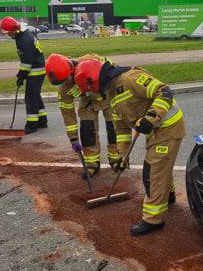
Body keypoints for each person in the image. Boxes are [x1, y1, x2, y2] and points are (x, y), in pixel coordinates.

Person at [74, 58, 185, 236]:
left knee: (152, 172)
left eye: (89, 92)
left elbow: (164, 91)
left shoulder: (130, 78)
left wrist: (151, 117)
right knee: (160, 167)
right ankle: (168, 195)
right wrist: (122, 155)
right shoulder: (111, 94)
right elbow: (121, 128)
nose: (91, 96)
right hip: (154, 131)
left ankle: (153, 220)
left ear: (94, 82)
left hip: (168, 127)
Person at [45, 53, 120, 179]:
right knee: (87, 132)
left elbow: (116, 75)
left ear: (71, 70)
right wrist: (73, 138)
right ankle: (92, 164)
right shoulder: (65, 88)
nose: (65, 83)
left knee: (114, 129)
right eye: (62, 82)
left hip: (109, 95)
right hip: (88, 101)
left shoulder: (94, 61)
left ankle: (116, 159)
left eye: (66, 79)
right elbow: (68, 114)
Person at [0, 16, 46, 133]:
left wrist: (21, 75)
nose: (8, 35)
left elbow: (27, 62)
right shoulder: (23, 35)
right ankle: (42, 121)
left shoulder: (24, 40)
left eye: (8, 33)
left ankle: (32, 125)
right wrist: (21, 75)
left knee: (30, 98)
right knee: (35, 96)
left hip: (35, 71)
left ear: (14, 30)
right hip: (37, 70)